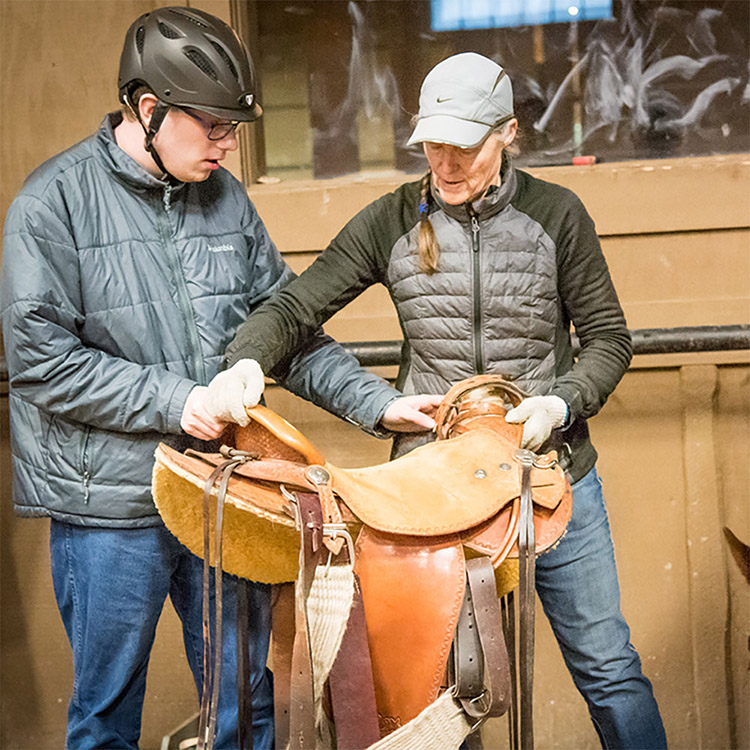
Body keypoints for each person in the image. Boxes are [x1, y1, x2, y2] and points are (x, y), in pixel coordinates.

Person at [0, 7, 439, 749]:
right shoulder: (51, 207)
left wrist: (380, 405)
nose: (229, 148)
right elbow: (42, 360)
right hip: (109, 510)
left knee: (248, 706)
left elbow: (282, 328)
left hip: (222, 493)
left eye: (233, 129)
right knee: (106, 718)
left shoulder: (225, 201)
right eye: (213, 127)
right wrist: (182, 399)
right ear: (148, 109)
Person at [206, 52, 668, 749]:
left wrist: (561, 403)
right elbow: (294, 307)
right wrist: (247, 359)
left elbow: (608, 339)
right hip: (434, 484)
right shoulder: (393, 219)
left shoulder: (556, 215)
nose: (446, 164)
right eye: (432, 146)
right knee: (443, 683)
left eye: (465, 147)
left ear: (508, 133)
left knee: (607, 665)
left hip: (547, 472)